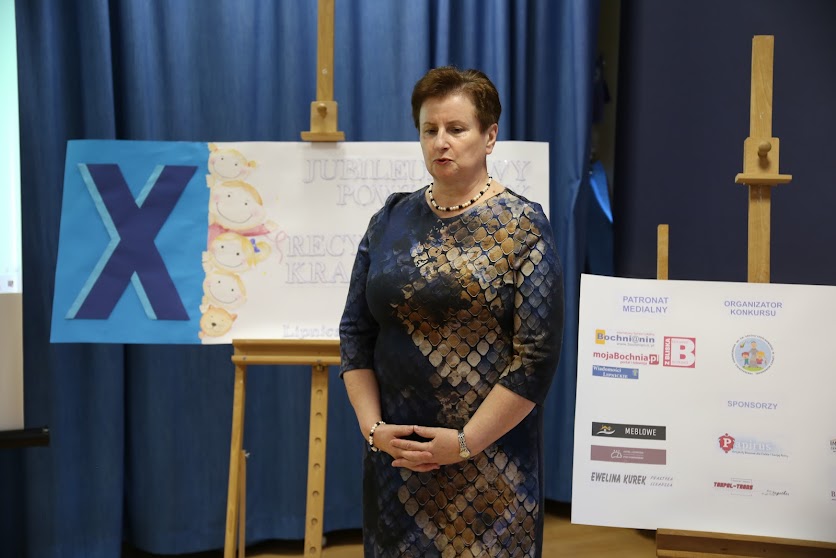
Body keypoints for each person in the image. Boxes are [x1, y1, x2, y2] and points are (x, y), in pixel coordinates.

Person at [339, 66, 564, 557]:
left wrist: (463, 443)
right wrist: (374, 430)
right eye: (430, 130)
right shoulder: (389, 218)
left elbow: (535, 359)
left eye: (456, 129)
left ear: (489, 137)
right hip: (397, 462)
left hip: (489, 469)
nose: (440, 142)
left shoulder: (522, 226)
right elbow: (355, 332)